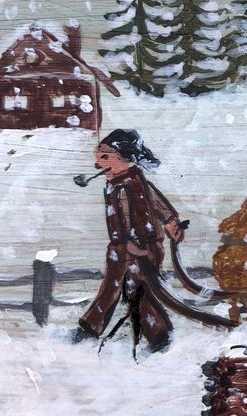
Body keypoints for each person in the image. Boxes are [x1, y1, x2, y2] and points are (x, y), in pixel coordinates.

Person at [72, 129, 185, 354]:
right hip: (121, 248)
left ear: (126, 159)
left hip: (142, 248)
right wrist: (124, 243)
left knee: (137, 290)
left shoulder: (135, 184)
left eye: (105, 156)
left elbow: (156, 203)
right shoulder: (114, 184)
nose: (98, 163)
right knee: (118, 288)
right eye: (98, 156)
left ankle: (157, 334)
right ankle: (93, 328)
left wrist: (171, 221)